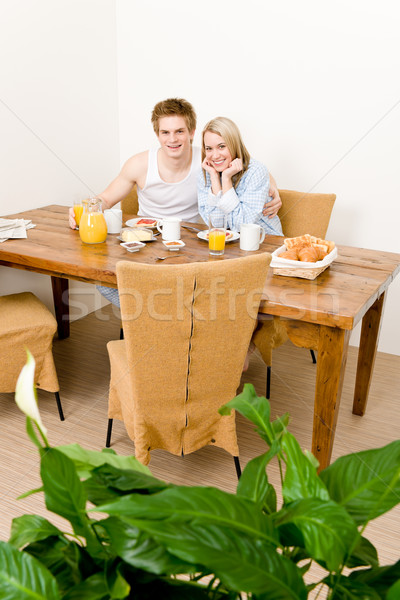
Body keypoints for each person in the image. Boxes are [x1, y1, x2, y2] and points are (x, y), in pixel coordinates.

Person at [69, 99, 282, 306]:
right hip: (147, 245)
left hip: (189, 248)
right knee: (103, 279)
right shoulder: (140, 164)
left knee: (205, 290)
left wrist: (273, 189)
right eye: (165, 132)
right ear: (157, 135)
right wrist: (85, 210)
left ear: (191, 132)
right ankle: (161, 322)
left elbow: (249, 167)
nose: (173, 139)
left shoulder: (206, 160)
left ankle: (165, 321)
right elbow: (105, 198)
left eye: (179, 131)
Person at [198, 117, 283, 237]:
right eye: (209, 149)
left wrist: (226, 180)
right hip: (230, 246)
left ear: (234, 144)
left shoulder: (255, 171)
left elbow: (241, 226)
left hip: (264, 241)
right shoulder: (207, 172)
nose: (215, 155)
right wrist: (215, 178)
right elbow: (217, 226)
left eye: (221, 146)